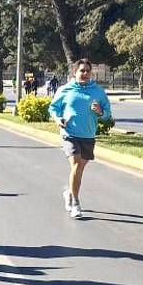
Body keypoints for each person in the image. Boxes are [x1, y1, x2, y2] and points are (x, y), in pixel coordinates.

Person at [49, 58, 112, 220]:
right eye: (81, 71)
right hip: (69, 133)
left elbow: (107, 114)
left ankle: (69, 192)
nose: (85, 74)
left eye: (87, 71)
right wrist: (57, 119)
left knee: (79, 169)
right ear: (74, 73)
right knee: (76, 164)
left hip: (88, 134)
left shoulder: (98, 91)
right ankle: (76, 203)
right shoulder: (65, 89)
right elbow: (53, 108)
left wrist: (99, 112)